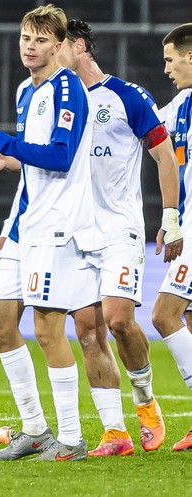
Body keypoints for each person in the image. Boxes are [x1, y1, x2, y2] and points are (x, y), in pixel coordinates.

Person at [54, 19, 182, 457]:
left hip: (119, 229)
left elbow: (164, 156)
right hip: (75, 232)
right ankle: (115, 432)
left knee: (119, 320)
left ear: (79, 46)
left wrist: (170, 216)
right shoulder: (57, 104)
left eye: (55, 45)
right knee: (87, 331)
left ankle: (146, 403)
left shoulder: (128, 96)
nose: (48, 53)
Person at [0, 4, 94, 461]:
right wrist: (10, 223)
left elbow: (61, 156)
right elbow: (34, 168)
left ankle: (72, 439)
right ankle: (35, 430)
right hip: (25, 226)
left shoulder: (68, 87)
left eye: (41, 39)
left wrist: (1, 140)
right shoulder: (26, 90)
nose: (30, 46)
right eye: (26, 37)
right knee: (0, 324)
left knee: (47, 330)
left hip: (56, 228)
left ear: (59, 45)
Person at [151, 22, 192, 452]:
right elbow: (143, 132)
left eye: (170, 59)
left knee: (165, 314)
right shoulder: (181, 104)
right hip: (187, 223)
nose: (166, 69)